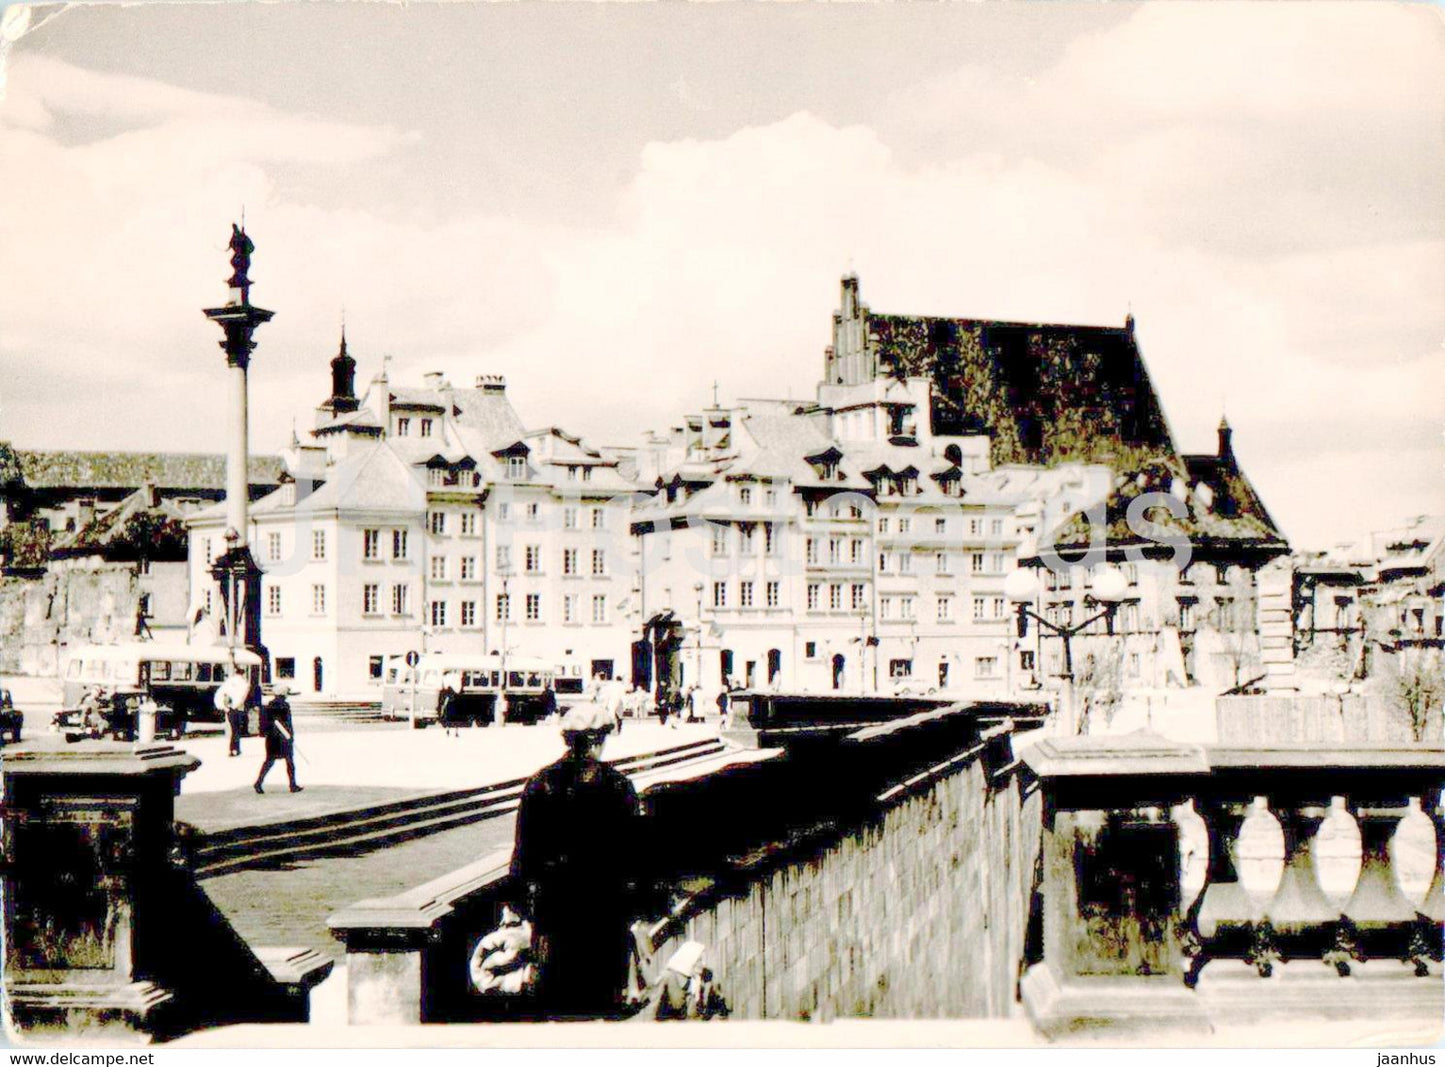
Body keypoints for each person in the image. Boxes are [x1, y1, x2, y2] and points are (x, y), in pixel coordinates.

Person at [510, 702, 645, 1019]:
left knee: (556, 1003)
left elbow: (523, 855)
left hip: (554, 915)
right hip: (604, 917)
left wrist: (521, 910)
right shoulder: (619, 787)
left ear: (567, 740)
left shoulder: (539, 784)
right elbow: (635, 855)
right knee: (601, 1003)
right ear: (600, 740)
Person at [254, 685, 301, 794]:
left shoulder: (268, 706)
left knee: (269, 761)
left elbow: (265, 724)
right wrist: (291, 736)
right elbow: (287, 723)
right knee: (289, 761)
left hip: (271, 738)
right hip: (283, 737)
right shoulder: (285, 706)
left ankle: (258, 782)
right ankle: (292, 785)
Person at [215, 659, 251, 757]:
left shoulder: (229, 681)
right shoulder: (244, 683)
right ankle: (235, 749)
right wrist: (235, 705)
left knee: (233, 729)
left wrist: (224, 706)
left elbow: (220, 693)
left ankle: (232, 749)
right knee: (236, 730)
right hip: (238, 709)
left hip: (228, 708)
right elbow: (242, 697)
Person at [438, 672, 462, 737]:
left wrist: (444, 707)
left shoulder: (447, 692)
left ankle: (448, 730)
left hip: (449, 706)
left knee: (448, 719)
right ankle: (456, 732)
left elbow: (446, 700)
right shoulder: (454, 691)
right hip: (454, 705)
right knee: (456, 719)